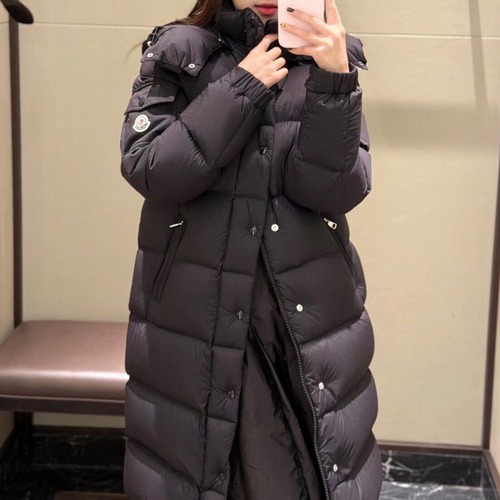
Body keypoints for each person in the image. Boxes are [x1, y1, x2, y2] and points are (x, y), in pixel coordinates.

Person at [119, 0, 383, 498]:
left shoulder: (331, 58)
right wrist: (243, 86)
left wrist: (334, 81)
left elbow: (334, 190)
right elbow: (150, 168)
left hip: (304, 318)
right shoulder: (179, 50)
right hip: (197, 316)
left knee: (316, 468)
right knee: (195, 468)